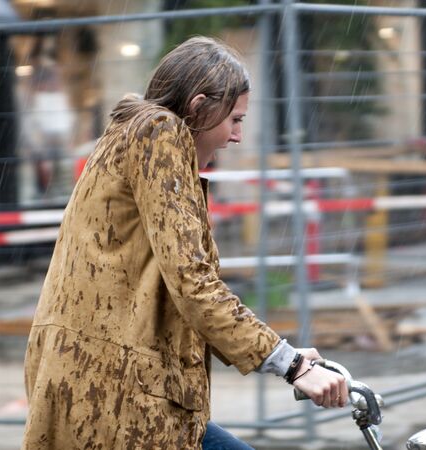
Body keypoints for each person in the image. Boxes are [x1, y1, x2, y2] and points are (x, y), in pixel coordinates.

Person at [21, 36, 347, 450]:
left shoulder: (135, 137)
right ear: (197, 107)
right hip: (117, 394)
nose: (238, 136)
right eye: (235, 120)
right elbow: (193, 282)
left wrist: (281, 355)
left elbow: (178, 288)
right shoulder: (160, 132)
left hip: (111, 386)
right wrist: (291, 365)